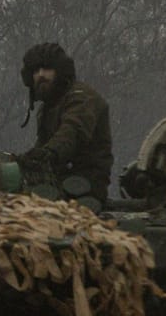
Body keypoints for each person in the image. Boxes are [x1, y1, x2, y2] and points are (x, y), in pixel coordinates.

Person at [17, 41, 113, 198]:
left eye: (47, 69)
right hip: (56, 182)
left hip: (84, 186)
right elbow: (42, 146)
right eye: (35, 70)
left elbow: (72, 131)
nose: (41, 74)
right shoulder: (47, 108)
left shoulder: (82, 97)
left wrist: (49, 154)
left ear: (60, 72)